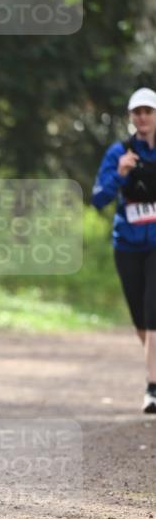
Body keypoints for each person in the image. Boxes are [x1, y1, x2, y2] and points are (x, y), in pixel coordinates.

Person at [92, 86, 156, 413]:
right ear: (131, 117)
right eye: (138, 112)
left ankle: (152, 387)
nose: (143, 117)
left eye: (149, 111)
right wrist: (120, 175)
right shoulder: (118, 153)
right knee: (140, 320)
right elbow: (98, 198)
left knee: (152, 308)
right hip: (128, 243)